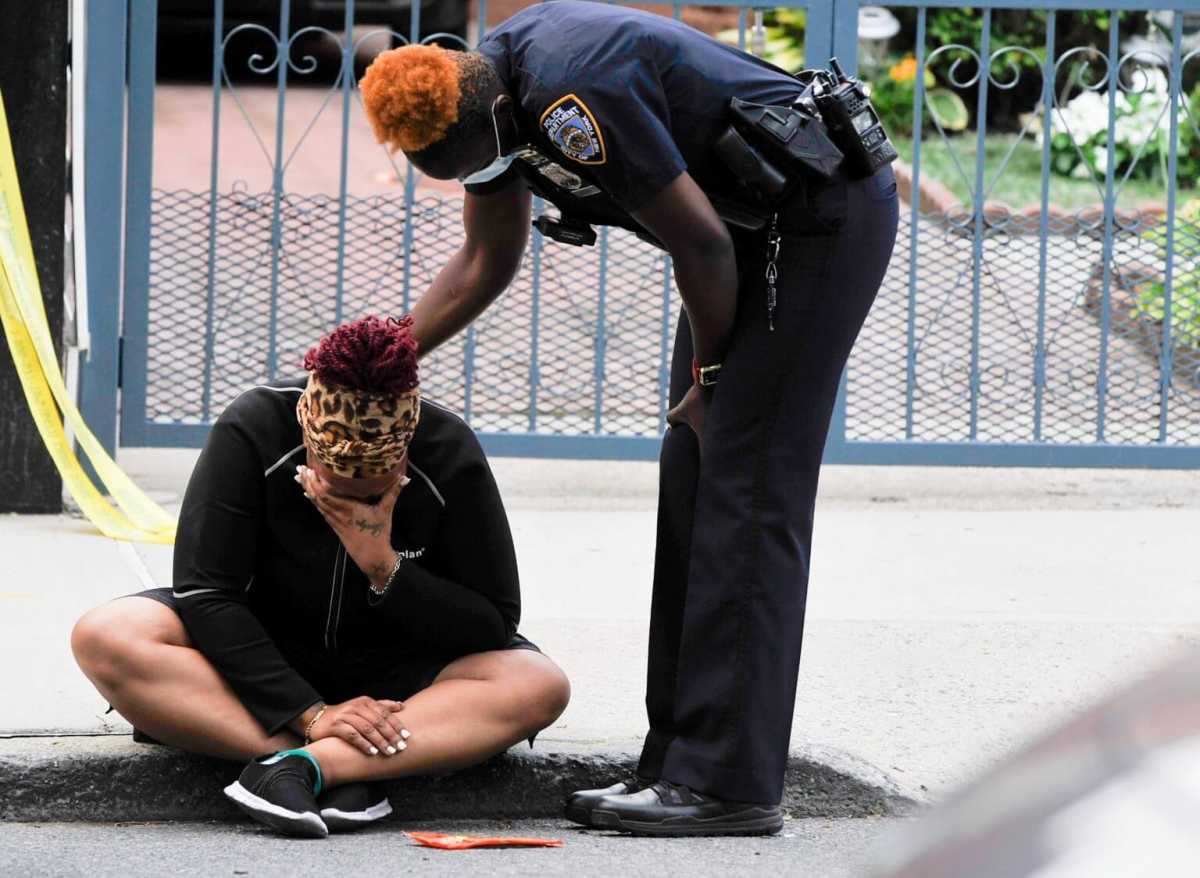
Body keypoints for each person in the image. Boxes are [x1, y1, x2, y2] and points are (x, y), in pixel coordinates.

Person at [359, 1, 898, 836]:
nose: (483, 175)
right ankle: (680, 759)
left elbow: (704, 248)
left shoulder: (575, 93)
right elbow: (485, 257)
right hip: (743, 233)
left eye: (476, 163)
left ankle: (728, 784)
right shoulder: (483, 90)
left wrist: (711, 380)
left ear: (496, 115)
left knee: (746, 486)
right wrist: (384, 352)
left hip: (816, 217)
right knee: (694, 469)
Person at [70, 315, 570, 838]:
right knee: (107, 634)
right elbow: (207, 592)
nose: (351, 504)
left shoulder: (449, 450)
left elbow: (492, 620)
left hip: (402, 678)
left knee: (538, 684)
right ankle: (329, 758)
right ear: (308, 436)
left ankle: (310, 769)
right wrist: (311, 713)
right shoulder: (254, 426)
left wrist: (381, 563)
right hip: (264, 659)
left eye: (372, 492)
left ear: (403, 452)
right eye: (332, 490)